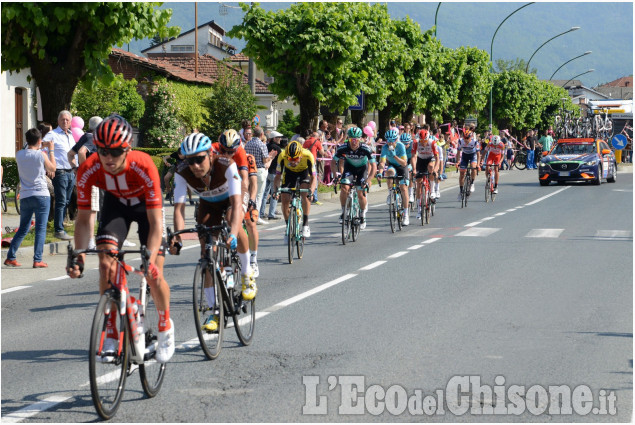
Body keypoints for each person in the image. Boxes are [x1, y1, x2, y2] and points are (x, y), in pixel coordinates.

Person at [66, 114, 175, 363]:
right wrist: (80, 255)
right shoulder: (90, 166)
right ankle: (113, 330)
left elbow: (157, 223)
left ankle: (165, 325)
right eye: (103, 151)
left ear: (127, 149)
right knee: (106, 262)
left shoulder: (144, 164)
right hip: (117, 206)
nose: (108, 158)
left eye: (115, 152)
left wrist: (150, 255)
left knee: (154, 273)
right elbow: (83, 219)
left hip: (147, 209)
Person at [170, 131, 256, 332]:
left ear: (210, 154)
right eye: (190, 161)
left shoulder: (226, 165)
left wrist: (233, 233)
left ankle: (246, 273)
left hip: (231, 199)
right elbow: (178, 208)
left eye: (199, 159)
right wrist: (178, 238)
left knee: (233, 220)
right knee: (207, 254)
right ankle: (213, 312)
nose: (195, 166)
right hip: (209, 204)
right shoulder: (182, 172)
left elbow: (236, 203)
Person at [4, 128, 57, 268]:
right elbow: (52, 168)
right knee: (40, 228)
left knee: (23, 228)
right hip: (41, 194)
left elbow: (27, 148)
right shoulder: (41, 155)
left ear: (27, 140)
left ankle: (11, 256)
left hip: (26, 195)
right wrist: (50, 150)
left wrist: (39, 143)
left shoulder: (19, 154)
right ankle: (37, 259)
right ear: (39, 141)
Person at [67, 116, 102, 249]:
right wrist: (85, 170)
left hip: (84, 179)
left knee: (85, 211)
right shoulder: (92, 138)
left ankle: (84, 241)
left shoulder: (85, 136)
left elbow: (70, 154)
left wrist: (76, 168)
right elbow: (82, 152)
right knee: (92, 211)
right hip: (91, 179)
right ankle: (90, 242)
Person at [332, 127, 376, 230]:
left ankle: (362, 214)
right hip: (350, 169)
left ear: (360, 139)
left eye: (356, 140)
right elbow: (333, 162)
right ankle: (344, 212)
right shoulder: (343, 148)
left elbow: (374, 166)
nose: (354, 142)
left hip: (362, 170)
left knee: (360, 192)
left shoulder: (365, 148)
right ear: (348, 139)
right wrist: (335, 176)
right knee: (344, 187)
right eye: (351, 139)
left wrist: (368, 180)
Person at [273, 140, 317, 240]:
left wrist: (312, 191)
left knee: (305, 193)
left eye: (296, 159)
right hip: (289, 174)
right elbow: (278, 176)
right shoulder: (282, 155)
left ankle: (305, 224)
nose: (292, 161)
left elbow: (314, 178)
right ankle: (288, 227)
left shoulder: (308, 155)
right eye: (290, 159)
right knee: (284, 200)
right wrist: (276, 191)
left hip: (304, 173)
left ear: (301, 156)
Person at [43, 110, 76, 240]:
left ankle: (60, 226)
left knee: (67, 201)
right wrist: (49, 165)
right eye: (62, 119)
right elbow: (41, 147)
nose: (65, 122)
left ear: (70, 122)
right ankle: (59, 229)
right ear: (58, 121)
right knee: (61, 201)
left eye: (67, 120)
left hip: (71, 172)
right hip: (60, 172)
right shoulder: (52, 134)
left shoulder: (72, 135)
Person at [377, 129, 410, 226]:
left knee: (403, 188)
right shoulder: (385, 148)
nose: (390, 143)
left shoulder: (401, 146)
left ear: (396, 140)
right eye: (388, 141)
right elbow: (382, 162)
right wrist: (380, 172)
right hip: (392, 166)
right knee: (389, 173)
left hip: (402, 167)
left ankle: (406, 214)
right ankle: (390, 192)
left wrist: (394, 156)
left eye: (393, 140)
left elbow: (404, 163)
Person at [245, 127, 274, 225]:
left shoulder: (247, 144)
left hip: (249, 170)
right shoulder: (262, 145)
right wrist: (271, 157)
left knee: (249, 194)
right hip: (260, 170)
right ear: (261, 134)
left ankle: (248, 215)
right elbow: (265, 160)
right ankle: (256, 216)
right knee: (259, 195)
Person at [412, 129, 439, 220]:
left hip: (430, 158)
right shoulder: (415, 143)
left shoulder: (432, 143)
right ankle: (419, 209)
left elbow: (437, 158)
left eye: (425, 141)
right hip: (421, 160)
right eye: (421, 141)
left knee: (431, 168)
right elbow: (413, 157)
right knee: (418, 183)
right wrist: (414, 169)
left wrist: (435, 169)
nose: (423, 143)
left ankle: (432, 191)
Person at [260, 131, 283, 220]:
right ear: (274, 138)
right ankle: (271, 214)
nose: (280, 139)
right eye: (278, 137)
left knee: (264, 193)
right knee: (275, 193)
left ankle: (261, 212)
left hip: (266, 171)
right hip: (274, 173)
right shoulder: (277, 148)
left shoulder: (267, 146)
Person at [457, 128, 480, 200]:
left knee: (473, 167)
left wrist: (478, 164)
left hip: (473, 156)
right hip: (464, 156)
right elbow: (458, 153)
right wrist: (458, 161)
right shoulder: (460, 141)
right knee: (462, 173)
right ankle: (461, 191)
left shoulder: (475, 142)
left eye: (467, 138)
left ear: (471, 137)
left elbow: (478, 154)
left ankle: (472, 183)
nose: (466, 140)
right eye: (465, 138)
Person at [303, 133, 325, 205]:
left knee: (305, 179)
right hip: (312, 163)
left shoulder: (306, 141)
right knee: (314, 180)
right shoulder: (317, 142)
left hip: (304, 162)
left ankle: (304, 196)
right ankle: (315, 198)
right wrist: (327, 154)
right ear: (317, 137)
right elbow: (322, 152)